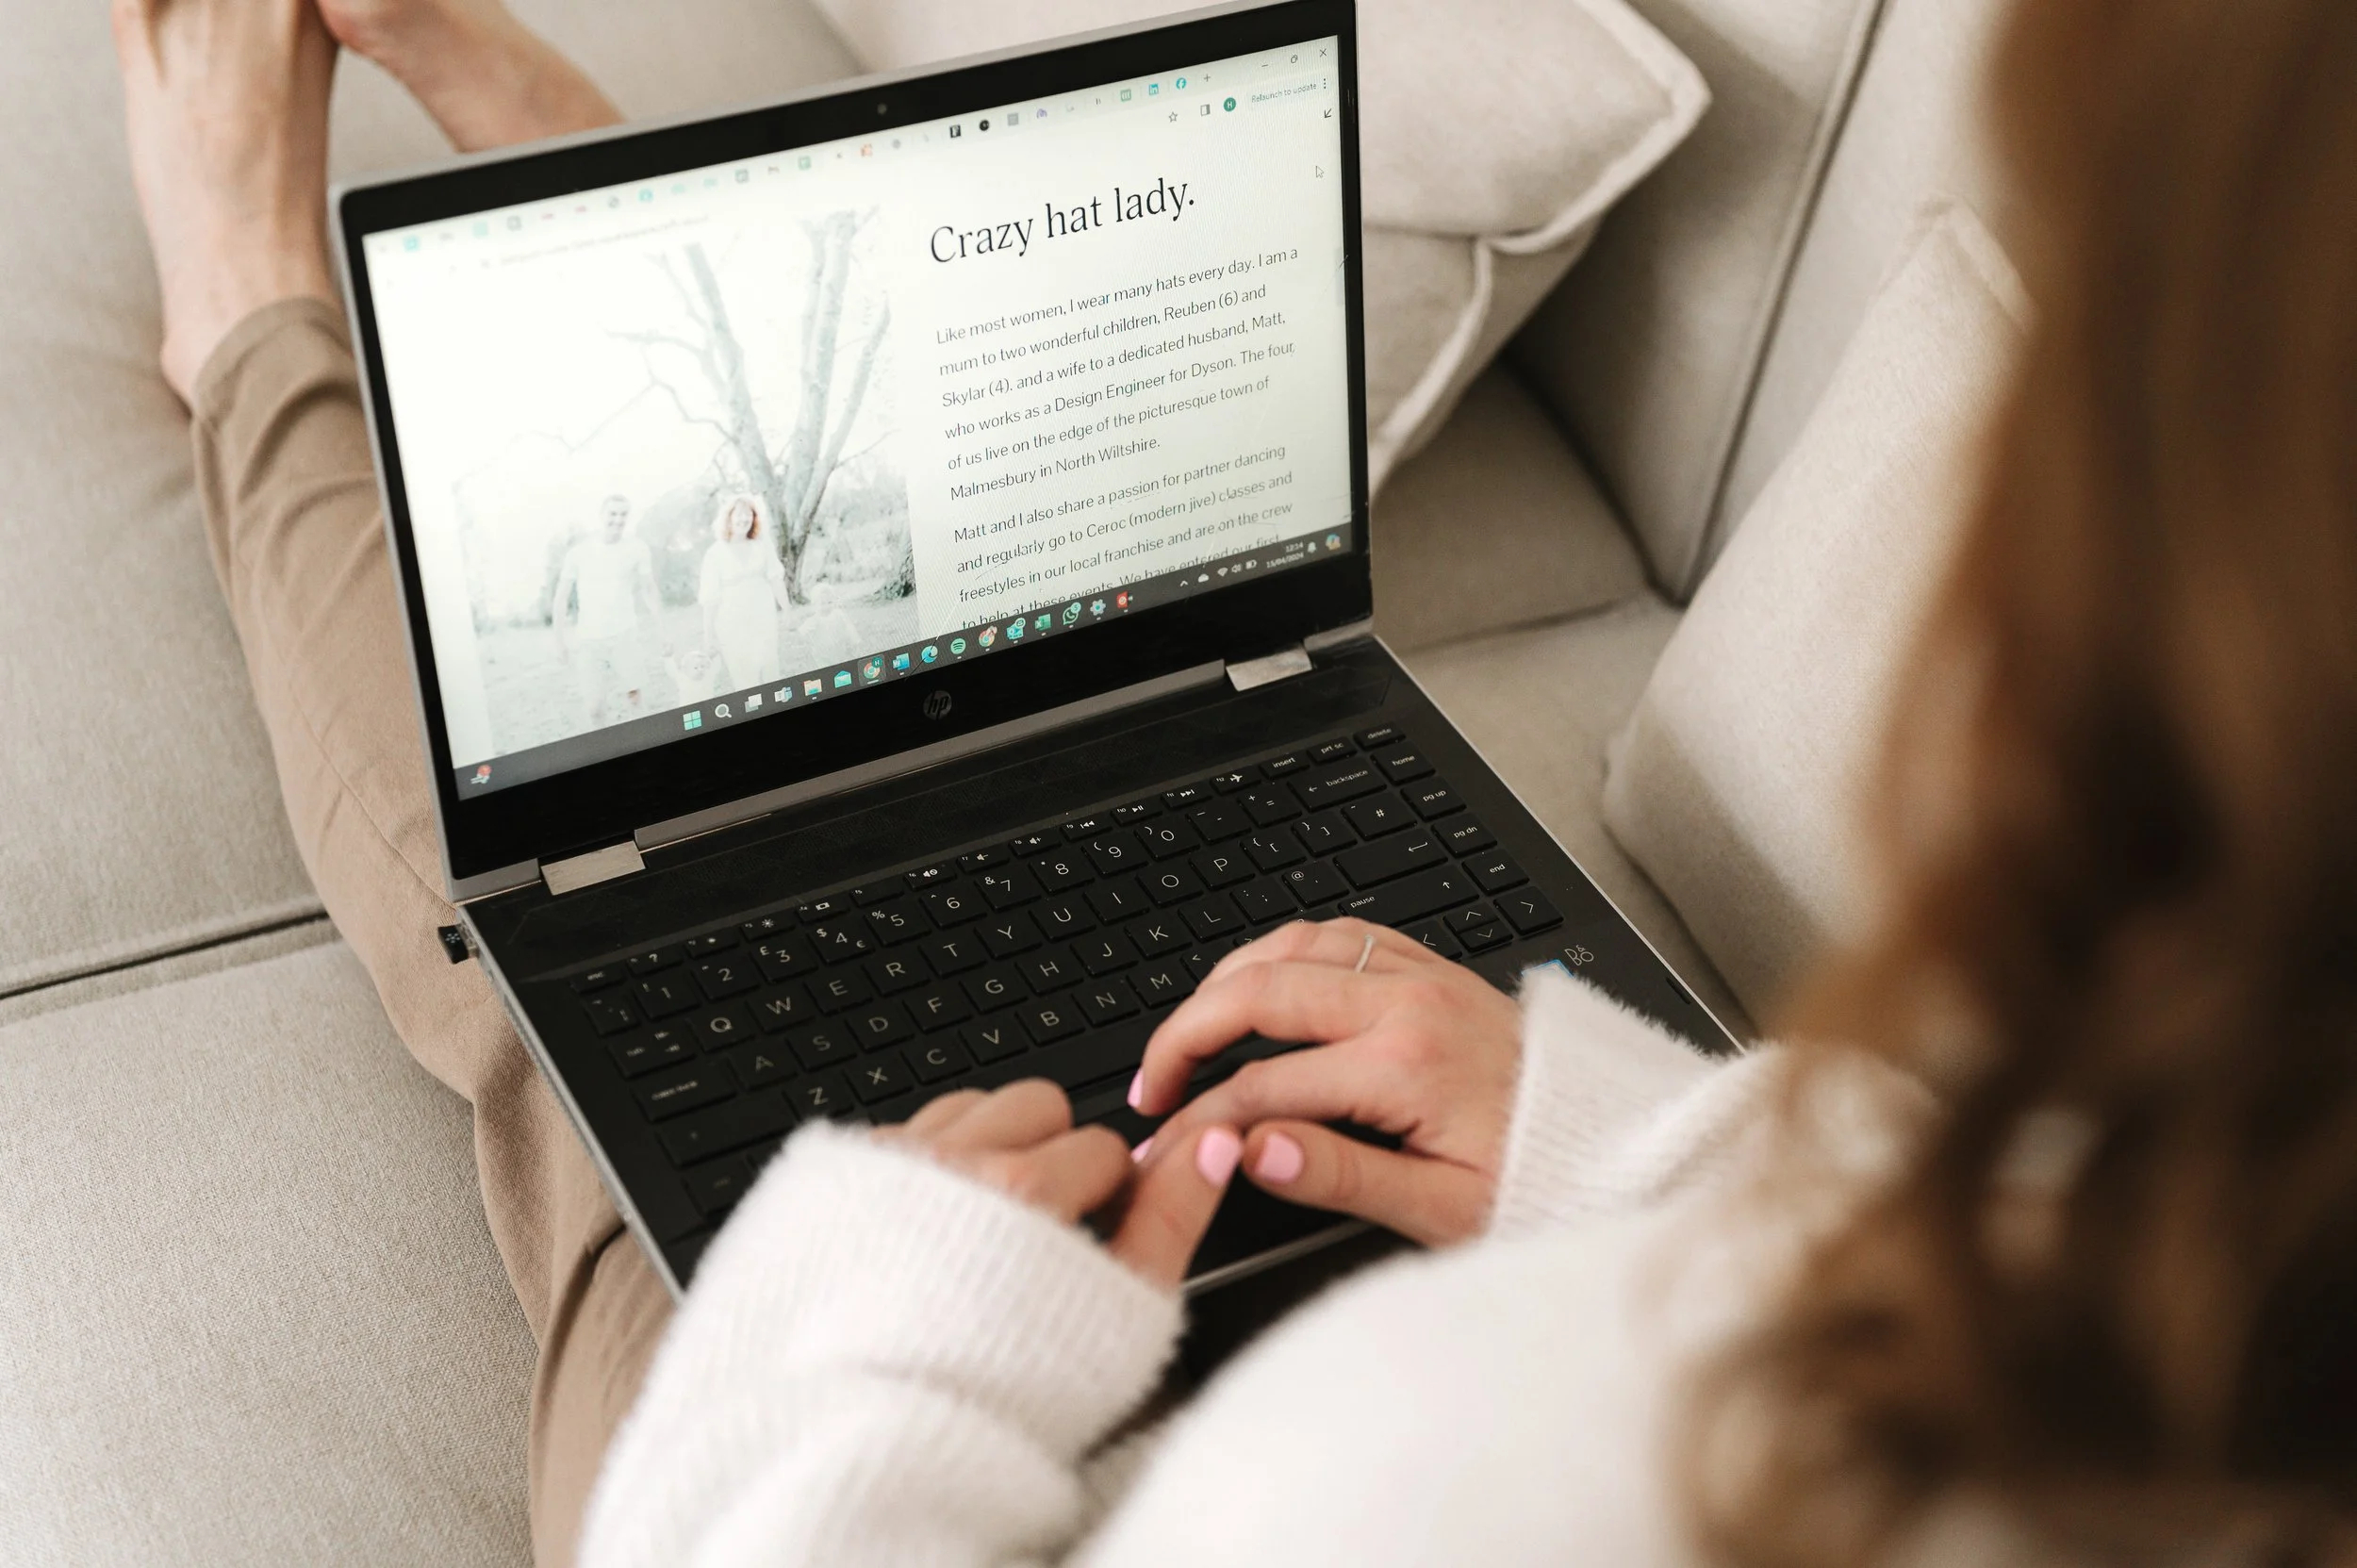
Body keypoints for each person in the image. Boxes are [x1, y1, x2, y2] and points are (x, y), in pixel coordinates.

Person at [110, 0, 2357, 1565]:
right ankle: (640, 217)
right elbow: (2112, 1262)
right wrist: (1655, 1155)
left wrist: (842, 1351)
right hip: (1579, 1238)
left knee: (569, 999)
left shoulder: (1436, 1483)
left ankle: (246, 307)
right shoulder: (2220, 1313)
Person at [552, 494, 659, 726]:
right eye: (613, 514)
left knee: (635, 699)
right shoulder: (578, 553)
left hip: (624, 635)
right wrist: (559, 641)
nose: (618, 519)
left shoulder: (637, 548)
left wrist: (663, 628)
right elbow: (560, 599)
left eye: (623, 514)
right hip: (589, 641)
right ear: (602, 515)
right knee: (594, 708)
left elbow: (649, 590)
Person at [696, 493, 787, 692]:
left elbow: (775, 579)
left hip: (763, 616)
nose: (744, 519)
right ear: (728, 518)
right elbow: (709, 599)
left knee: (770, 668)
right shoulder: (715, 553)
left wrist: (788, 611)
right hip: (731, 622)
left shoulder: (762, 545)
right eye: (739, 514)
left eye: (749, 514)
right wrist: (708, 637)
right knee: (745, 676)